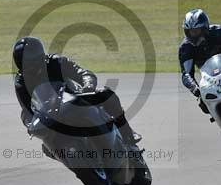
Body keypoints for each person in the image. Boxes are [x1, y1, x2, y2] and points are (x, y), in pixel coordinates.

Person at [12, 36, 141, 147]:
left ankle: (127, 134)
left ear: (39, 58)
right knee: (45, 144)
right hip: (51, 116)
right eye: (24, 63)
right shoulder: (21, 83)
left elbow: (82, 73)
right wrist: (31, 124)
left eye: (30, 62)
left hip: (76, 99)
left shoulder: (56, 62)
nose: (29, 66)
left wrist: (88, 86)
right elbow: (27, 110)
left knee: (107, 95)